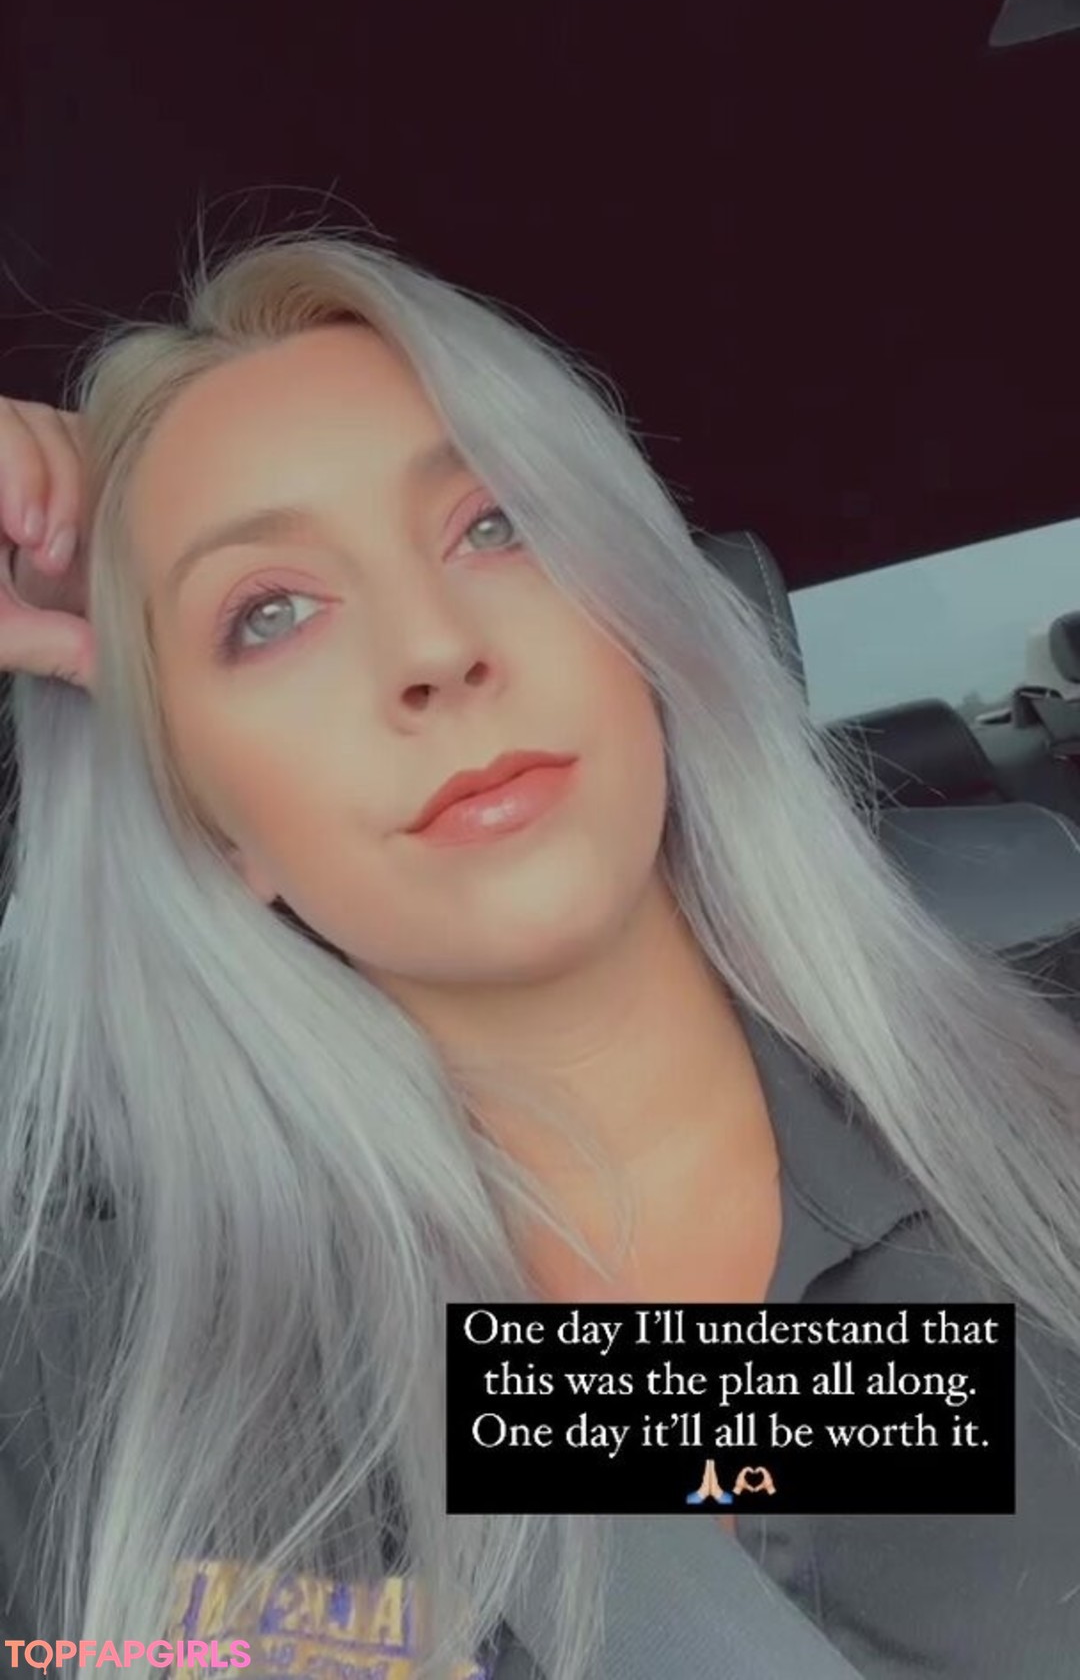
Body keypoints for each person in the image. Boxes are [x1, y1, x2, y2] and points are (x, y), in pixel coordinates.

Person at [0, 223, 1078, 1680]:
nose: (433, 649)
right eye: (270, 614)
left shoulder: (1051, 1080)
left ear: (648, 622)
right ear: (206, 822)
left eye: (495, 524)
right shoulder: (92, 1392)